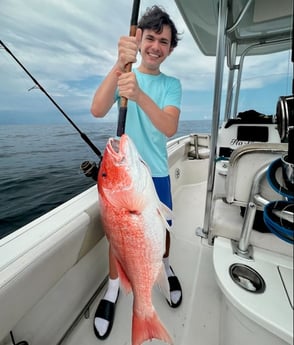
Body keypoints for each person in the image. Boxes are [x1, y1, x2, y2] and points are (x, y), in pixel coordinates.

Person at [90, 5, 182, 340]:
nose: (156, 45)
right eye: (151, 37)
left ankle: (164, 266)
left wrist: (138, 95)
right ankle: (114, 286)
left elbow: (169, 126)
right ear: (138, 39)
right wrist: (118, 65)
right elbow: (98, 109)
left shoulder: (171, 85)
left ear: (171, 49)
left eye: (164, 41)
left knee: (164, 229)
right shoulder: (125, 72)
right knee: (119, 237)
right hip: (123, 179)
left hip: (154, 172)